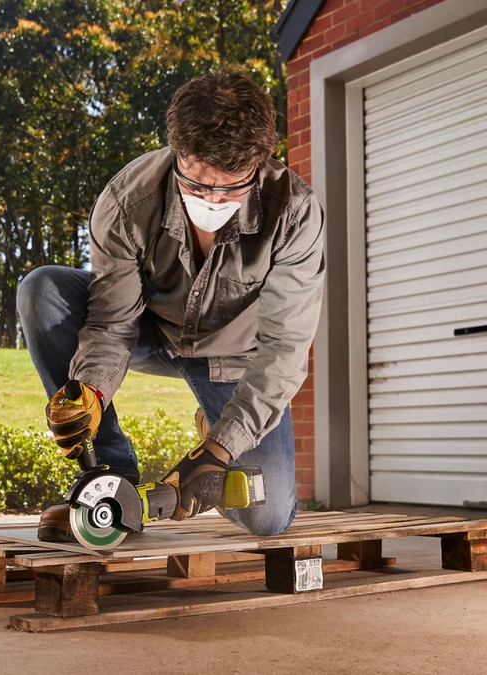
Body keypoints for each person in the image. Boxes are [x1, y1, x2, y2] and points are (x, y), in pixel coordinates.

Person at [19, 70, 325, 543]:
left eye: (232, 188)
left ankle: (212, 426)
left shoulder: (295, 214)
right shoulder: (126, 202)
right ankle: (107, 480)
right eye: (198, 184)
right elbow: (111, 324)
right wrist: (90, 392)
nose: (212, 200)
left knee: (268, 517)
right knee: (42, 290)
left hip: (233, 359)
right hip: (151, 335)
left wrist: (220, 449)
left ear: (259, 163)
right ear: (178, 151)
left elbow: (285, 348)